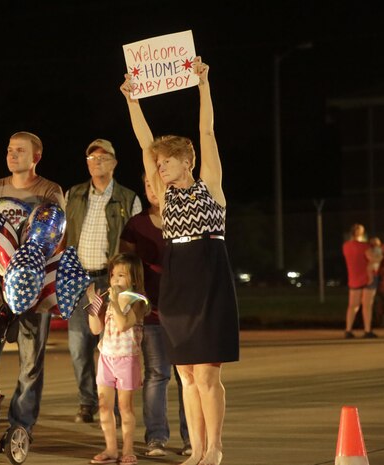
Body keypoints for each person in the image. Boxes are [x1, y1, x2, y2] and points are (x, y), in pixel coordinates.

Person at [121, 57, 239, 465]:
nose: (160, 167)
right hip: (176, 281)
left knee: (208, 373)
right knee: (186, 374)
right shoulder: (164, 194)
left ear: (185, 161)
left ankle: (214, 447)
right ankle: (198, 451)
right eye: (157, 164)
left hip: (208, 276)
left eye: (166, 161)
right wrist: (133, 101)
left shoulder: (211, 187)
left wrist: (204, 85)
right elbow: (143, 142)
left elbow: (207, 130)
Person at [0, 131, 65, 436]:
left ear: (36, 156)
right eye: (9, 149)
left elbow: (57, 236)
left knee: (30, 359)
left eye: (20, 150)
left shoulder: (49, 190)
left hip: (32, 286)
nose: (12, 155)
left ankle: (21, 425)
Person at [64, 138, 141, 423]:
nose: (98, 162)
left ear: (115, 162)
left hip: (111, 280)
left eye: (104, 157)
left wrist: (125, 282)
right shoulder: (73, 194)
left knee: (114, 345)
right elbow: (61, 235)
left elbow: (133, 244)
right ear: (87, 163)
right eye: (92, 158)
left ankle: (119, 406)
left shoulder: (128, 198)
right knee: (78, 345)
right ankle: (87, 402)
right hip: (79, 278)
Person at [119, 174, 190, 457]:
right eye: (147, 185)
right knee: (157, 375)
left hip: (185, 312)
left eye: (157, 184)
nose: (152, 190)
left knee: (188, 377)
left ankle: (192, 437)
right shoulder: (136, 225)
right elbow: (126, 270)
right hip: (152, 313)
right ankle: (156, 438)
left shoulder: (186, 219)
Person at [85, 253, 147, 465]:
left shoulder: (138, 301)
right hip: (106, 358)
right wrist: (93, 305)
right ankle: (111, 448)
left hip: (127, 360)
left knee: (125, 408)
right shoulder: (109, 302)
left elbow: (123, 325)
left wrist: (115, 302)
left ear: (134, 279)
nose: (114, 280)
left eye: (121, 275)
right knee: (104, 406)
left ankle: (128, 449)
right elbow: (95, 329)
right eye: (112, 275)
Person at [342, 224, 378, 339]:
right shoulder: (365, 246)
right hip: (368, 278)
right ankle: (367, 330)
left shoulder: (346, 246)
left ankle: (348, 330)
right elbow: (373, 259)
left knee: (353, 305)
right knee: (367, 305)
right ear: (361, 233)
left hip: (353, 278)